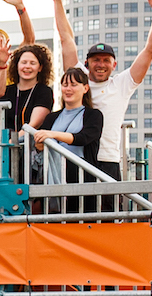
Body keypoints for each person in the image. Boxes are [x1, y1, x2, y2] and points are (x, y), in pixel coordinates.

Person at [50, 0, 152, 186]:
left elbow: (150, 50)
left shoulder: (121, 84)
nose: (100, 64)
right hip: (76, 156)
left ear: (114, 64)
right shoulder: (78, 78)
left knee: (109, 206)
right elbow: (66, 39)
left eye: (106, 60)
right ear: (87, 63)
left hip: (107, 159)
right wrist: (57, 1)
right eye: (96, 60)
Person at [29, 66, 105, 211]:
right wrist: (40, 144)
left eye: (73, 85)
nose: (68, 89)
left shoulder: (93, 115)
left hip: (81, 180)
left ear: (85, 88)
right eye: (65, 85)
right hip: (53, 178)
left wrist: (53, 135)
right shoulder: (51, 117)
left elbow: (83, 138)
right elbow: (40, 147)